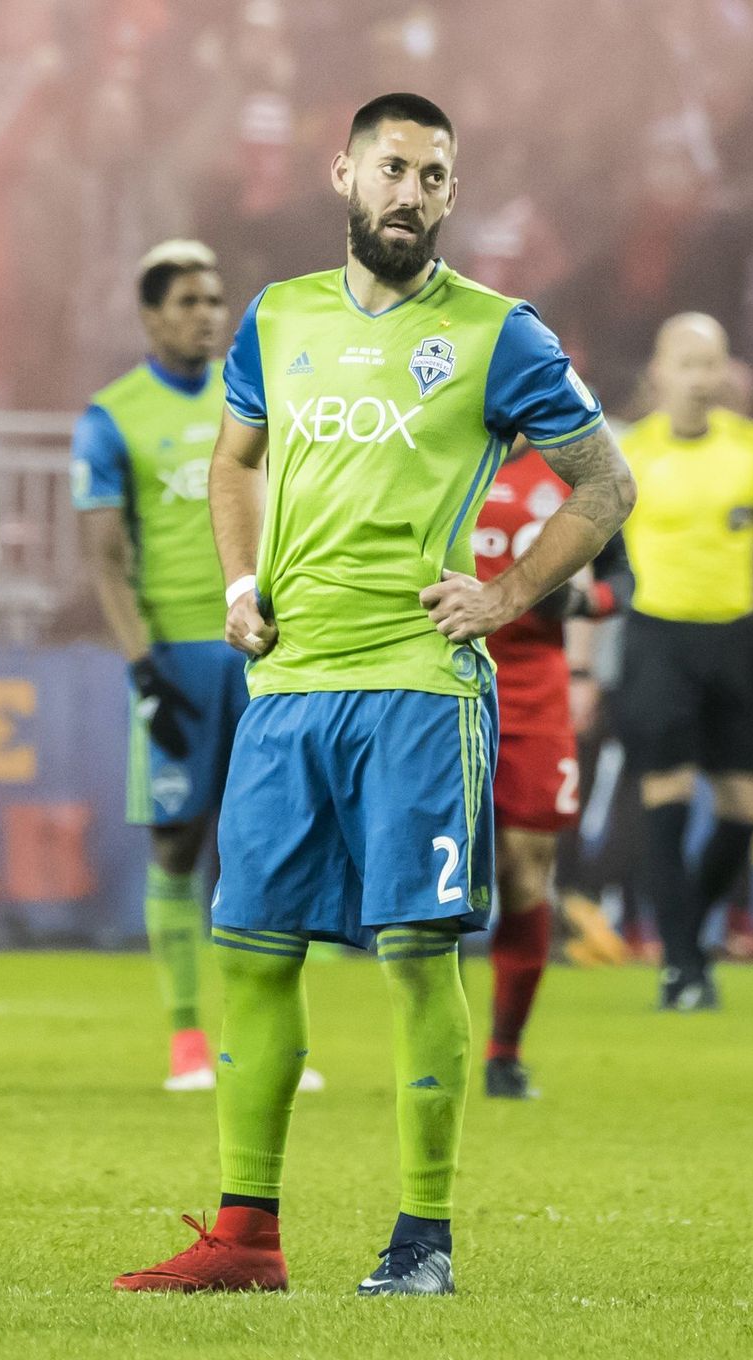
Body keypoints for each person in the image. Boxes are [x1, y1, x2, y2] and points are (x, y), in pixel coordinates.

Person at [115, 93, 633, 1298]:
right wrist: (240, 580)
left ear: (453, 196)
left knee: (413, 953)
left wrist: (505, 598)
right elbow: (233, 461)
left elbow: (606, 484)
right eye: (393, 167)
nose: (412, 191)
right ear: (343, 174)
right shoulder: (278, 316)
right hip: (289, 682)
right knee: (249, 951)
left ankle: (423, 1239)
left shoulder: (502, 333)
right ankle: (246, 1239)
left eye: (435, 175)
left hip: (417, 686)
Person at [72, 239, 323, 1095]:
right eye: (186, 302)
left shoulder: (259, 399)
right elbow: (105, 560)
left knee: (268, 847)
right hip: (176, 652)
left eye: (215, 300)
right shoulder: (112, 416)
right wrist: (143, 670)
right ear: (149, 316)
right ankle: (186, 1038)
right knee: (179, 842)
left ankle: (269, 1040)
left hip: (260, 644)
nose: (206, 315)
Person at [614, 314, 753, 1010]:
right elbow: (595, 554)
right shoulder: (628, 453)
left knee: (744, 808)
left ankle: (685, 939)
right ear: (659, 371)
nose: (703, 376)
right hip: (659, 638)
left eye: (713, 362)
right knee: (665, 799)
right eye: (688, 362)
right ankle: (681, 966)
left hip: (735, 639)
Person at [470, 438, 633, 1099]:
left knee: (527, 864)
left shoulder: (568, 464)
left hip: (533, 686)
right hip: (436, 678)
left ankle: (504, 1052)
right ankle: (424, 1054)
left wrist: (580, 603)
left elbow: (623, 576)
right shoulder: (435, 444)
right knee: (427, 875)